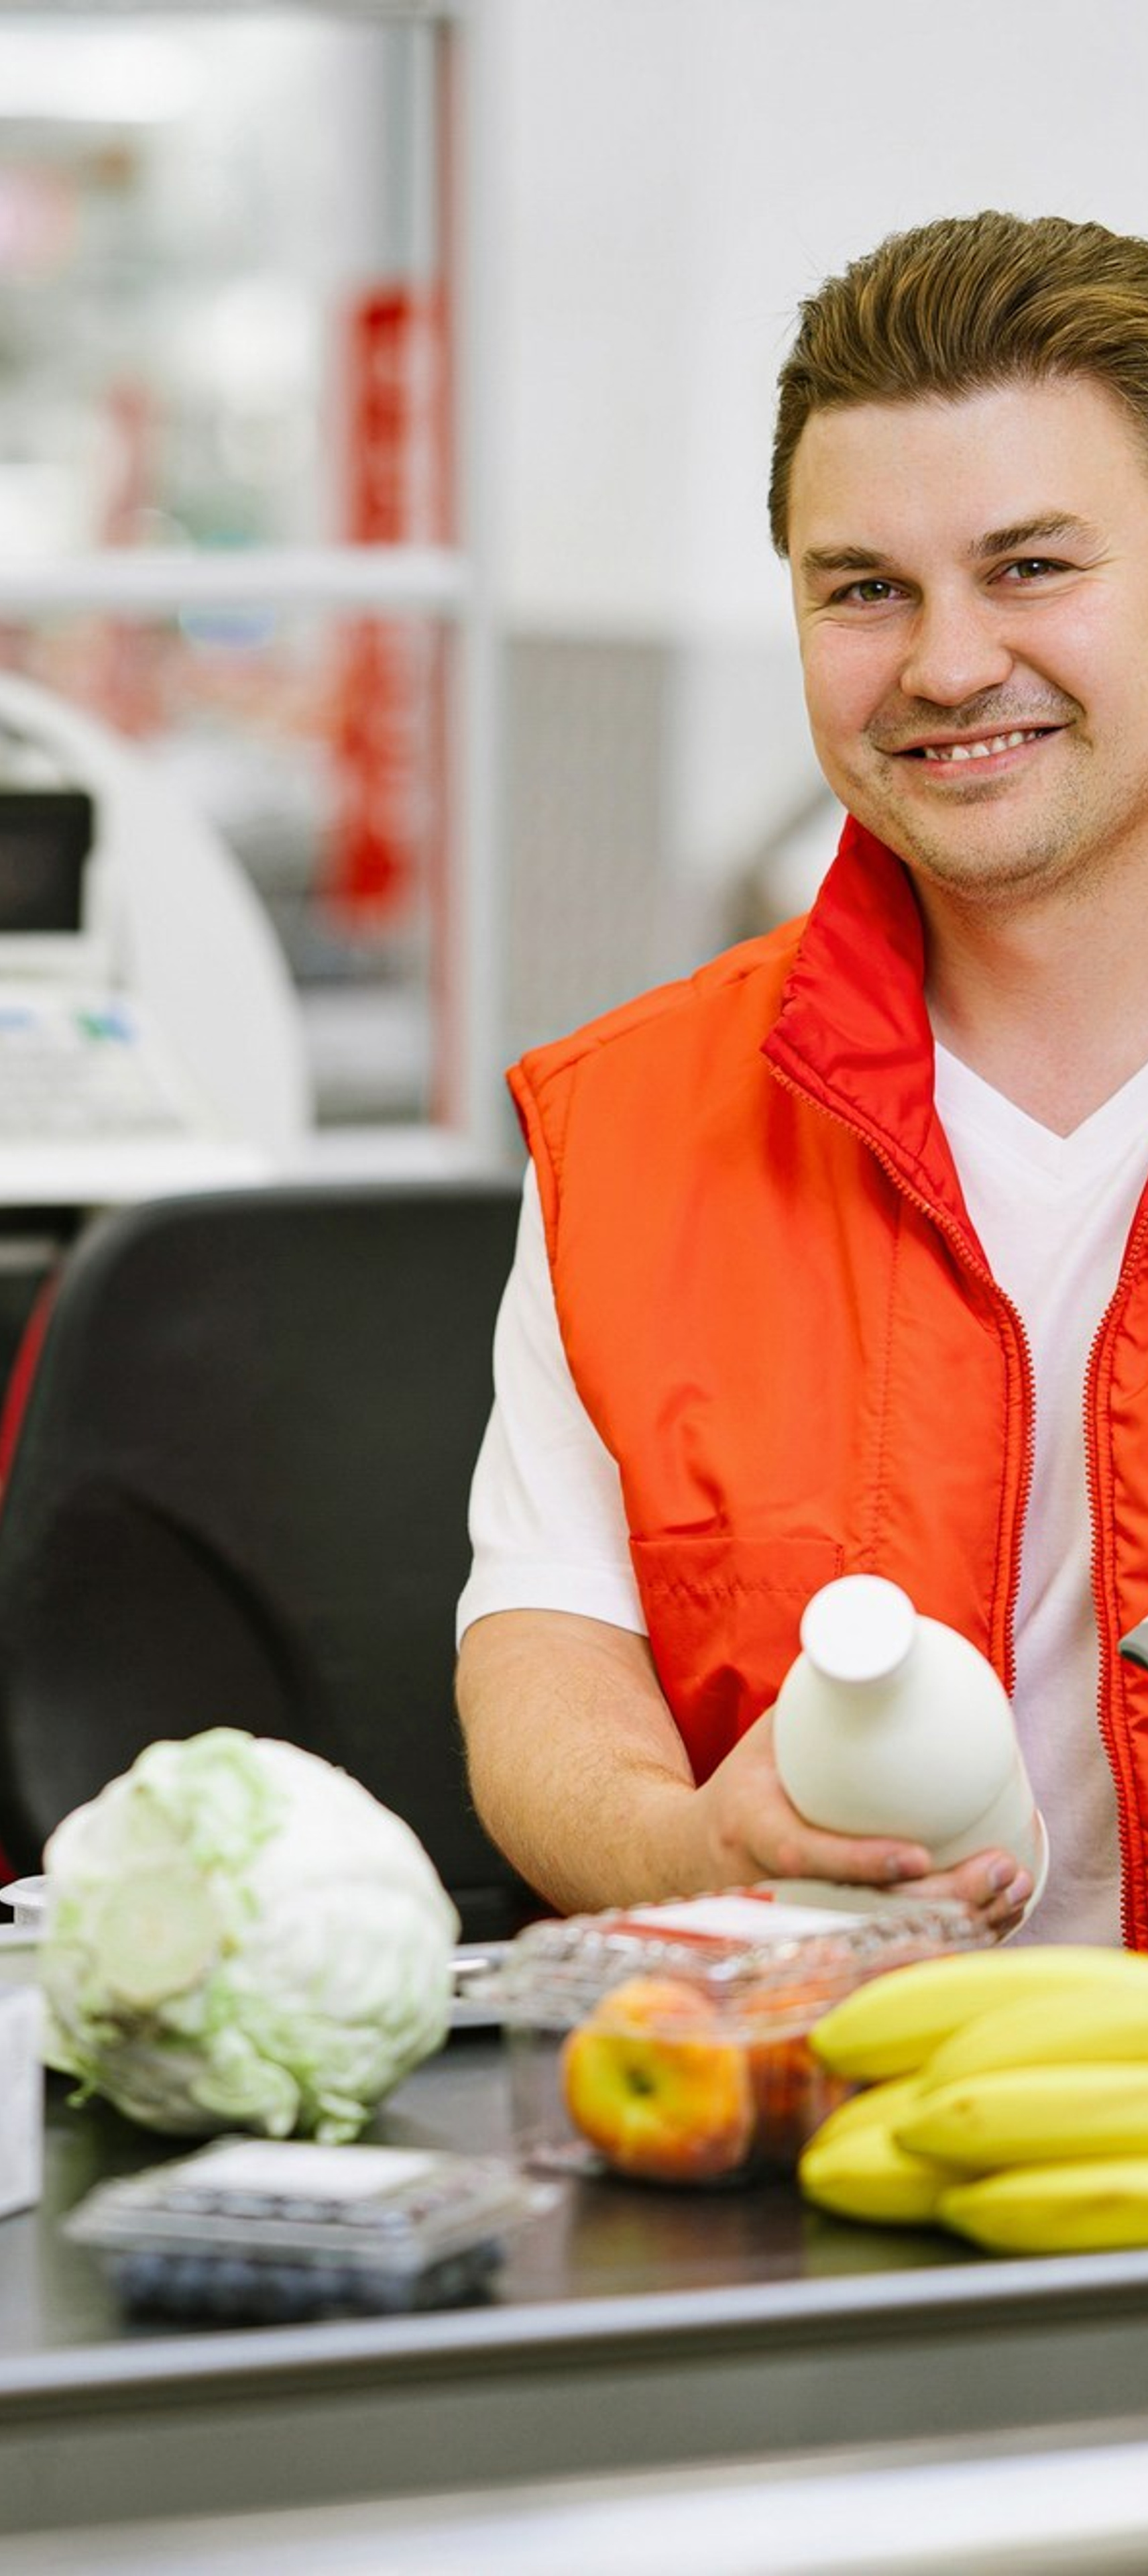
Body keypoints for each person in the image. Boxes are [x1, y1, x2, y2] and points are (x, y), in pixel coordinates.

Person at [455, 209, 1148, 1950]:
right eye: (864, 590)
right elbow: (546, 1653)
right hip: (806, 2130)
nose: (946, 662)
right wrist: (685, 1847)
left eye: (1033, 567)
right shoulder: (636, 1125)